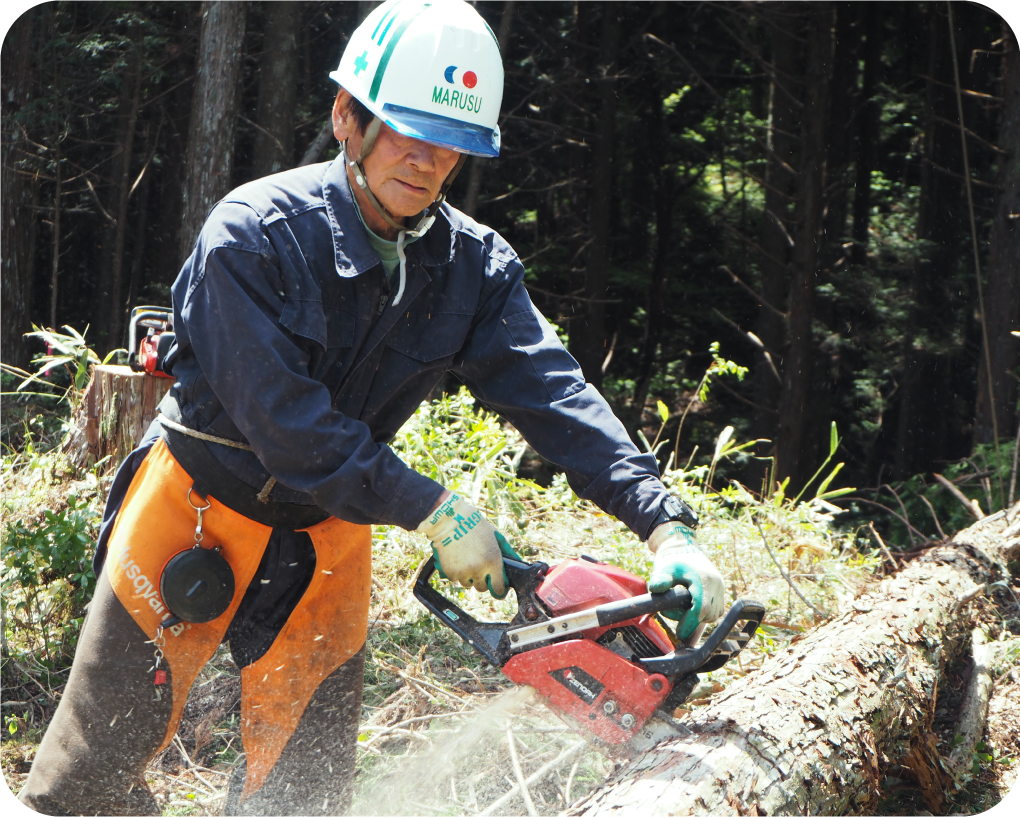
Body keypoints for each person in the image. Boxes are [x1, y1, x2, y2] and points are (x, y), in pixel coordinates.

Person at [17, 1, 725, 815]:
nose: (426, 163)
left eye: (450, 146)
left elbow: (556, 393)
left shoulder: (473, 270)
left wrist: (665, 522)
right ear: (348, 118)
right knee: (83, 781)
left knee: (302, 795)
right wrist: (431, 508)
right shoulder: (250, 238)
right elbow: (289, 425)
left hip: (329, 531)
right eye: (407, 133)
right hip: (195, 506)